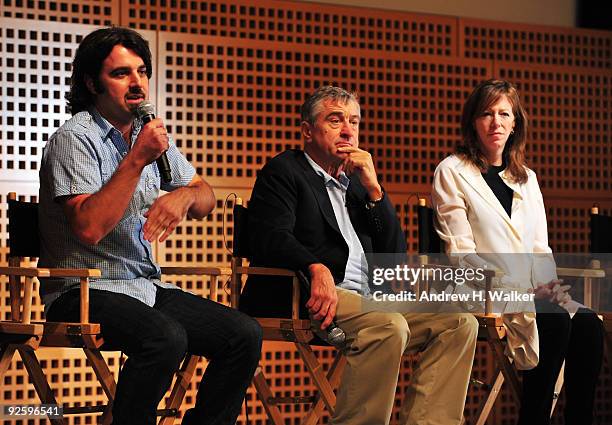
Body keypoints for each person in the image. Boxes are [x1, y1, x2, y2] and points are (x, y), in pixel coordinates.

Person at [38, 27, 262, 425]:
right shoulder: (74, 139)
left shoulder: (149, 136)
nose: (137, 82)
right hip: (83, 289)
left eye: (142, 71)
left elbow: (204, 194)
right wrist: (136, 160)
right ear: (93, 83)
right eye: (121, 73)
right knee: (165, 337)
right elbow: (89, 227)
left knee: (243, 334)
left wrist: (185, 196)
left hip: (143, 284)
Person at [239, 85, 479, 425]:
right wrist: (315, 266)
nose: (348, 130)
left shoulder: (355, 184)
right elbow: (269, 237)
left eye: (354, 121)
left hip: (367, 296)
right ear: (307, 130)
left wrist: (375, 190)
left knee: (458, 322)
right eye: (335, 120)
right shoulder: (284, 172)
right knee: (387, 326)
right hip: (307, 294)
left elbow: (393, 259)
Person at [431, 79, 604, 425]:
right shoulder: (451, 171)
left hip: (532, 291)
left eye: (503, 114)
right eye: (486, 113)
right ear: (473, 122)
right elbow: (460, 253)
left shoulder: (526, 178)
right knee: (553, 320)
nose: (495, 122)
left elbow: (540, 248)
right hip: (480, 289)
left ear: (515, 124)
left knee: (588, 325)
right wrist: (526, 291)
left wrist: (547, 285)